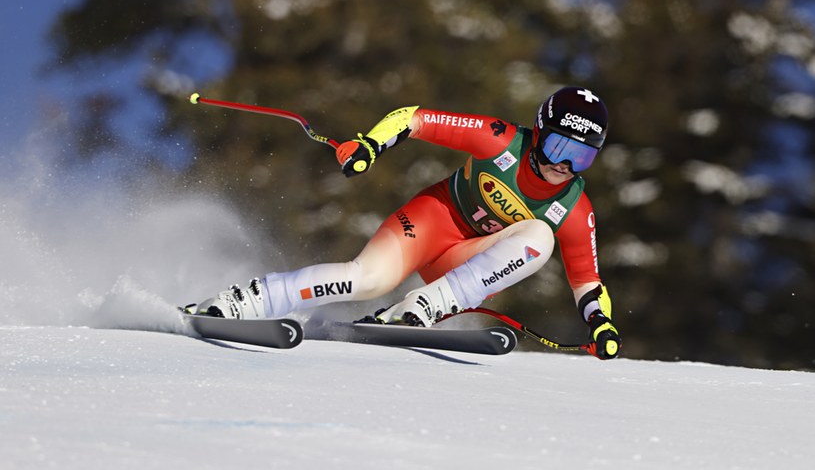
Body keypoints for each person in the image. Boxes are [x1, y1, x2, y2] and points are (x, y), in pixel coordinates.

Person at [189, 86, 621, 359]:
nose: (565, 164)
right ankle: (246, 301)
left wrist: (600, 325)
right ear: (538, 133)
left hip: (462, 266)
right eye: (560, 147)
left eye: (581, 156)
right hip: (431, 220)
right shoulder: (499, 138)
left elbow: (588, 281)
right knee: (366, 279)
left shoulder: (575, 206)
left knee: (539, 237)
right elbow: (416, 117)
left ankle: (420, 306)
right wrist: (371, 145)